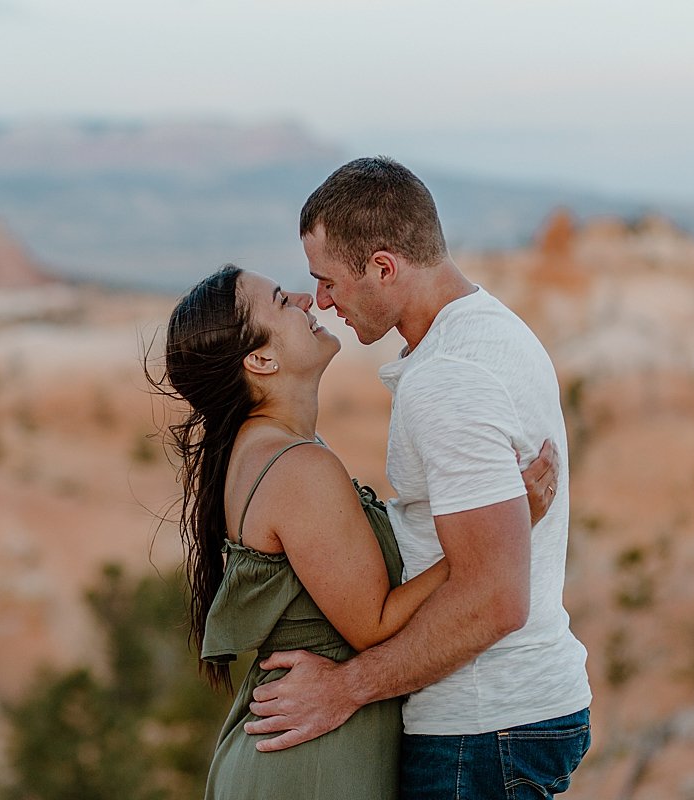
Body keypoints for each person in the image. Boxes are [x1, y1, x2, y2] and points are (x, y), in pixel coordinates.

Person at [242, 157, 593, 800]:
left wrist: (345, 689)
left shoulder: (448, 378)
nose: (321, 301)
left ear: (382, 266)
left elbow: (495, 598)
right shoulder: (486, 332)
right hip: (503, 721)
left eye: (328, 281)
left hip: (481, 729)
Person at [153, 264, 559, 799]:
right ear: (261, 360)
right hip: (313, 763)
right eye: (280, 300)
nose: (304, 297)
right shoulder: (294, 465)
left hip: (313, 744)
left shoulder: (274, 449)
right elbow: (375, 623)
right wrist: (503, 532)